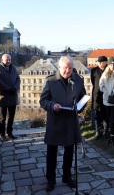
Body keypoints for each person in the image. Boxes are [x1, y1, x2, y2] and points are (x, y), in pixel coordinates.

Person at [40, 56, 86, 192]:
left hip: (71, 120)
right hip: (55, 121)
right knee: (52, 152)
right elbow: (43, 101)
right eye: (65, 68)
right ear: (59, 67)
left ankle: (67, 176)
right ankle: (51, 179)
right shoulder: (50, 81)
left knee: (69, 151)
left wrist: (80, 106)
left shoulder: (78, 80)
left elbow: (83, 97)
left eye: (70, 68)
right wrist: (53, 105)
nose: (68, 71)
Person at [0, 54, 20, 142]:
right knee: (2, 117)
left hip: (13, 95)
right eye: (6, 60)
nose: (8, 61)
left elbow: (18, 79)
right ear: (2, 60)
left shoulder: (14, 68)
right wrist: (9, 89)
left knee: (11, 116)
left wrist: (15, 88)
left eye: (9, 60)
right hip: (3, 96)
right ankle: (1, 134)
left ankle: (9, 132)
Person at [91, 56, 109, 139]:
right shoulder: (94, 70)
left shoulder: (108, 70)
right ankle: (98, 131)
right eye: (99, 62)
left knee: (106, 113)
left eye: (102, 62)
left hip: (106, 94)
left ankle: (106, 131)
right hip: (96, 95)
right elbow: (93, 82)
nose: (100, 64)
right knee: (97, 113)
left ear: (105, 62)